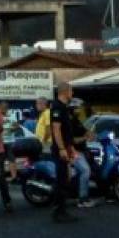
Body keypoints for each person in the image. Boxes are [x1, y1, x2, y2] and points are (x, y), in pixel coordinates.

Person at [49, 84, 79, 222]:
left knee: (65, 179)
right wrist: (61, 149)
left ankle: (63, 210)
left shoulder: (64, 107)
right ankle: (58, 212)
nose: (72, 93)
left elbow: (67, 131)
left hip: (66, 147)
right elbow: (56, 129)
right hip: (60, 149)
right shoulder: (57, 106)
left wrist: (70, 147)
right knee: (61, 180)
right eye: (71, 91)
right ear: (65, 92)